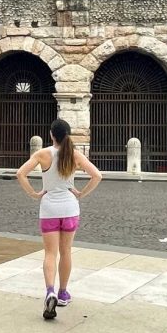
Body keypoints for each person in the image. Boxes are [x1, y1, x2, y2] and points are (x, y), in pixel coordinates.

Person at [16, 119, 102, 320]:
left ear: (51, 134)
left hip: (49, 209)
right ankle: (63, 293)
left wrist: (34, 194)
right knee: (66, 252)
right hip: (70, 208)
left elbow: (20, 173)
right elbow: (97, 175)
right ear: (68, 134)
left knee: (50, 254)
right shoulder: (74, 154)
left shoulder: (43, 154)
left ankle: (50, 291)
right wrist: (80, 194)